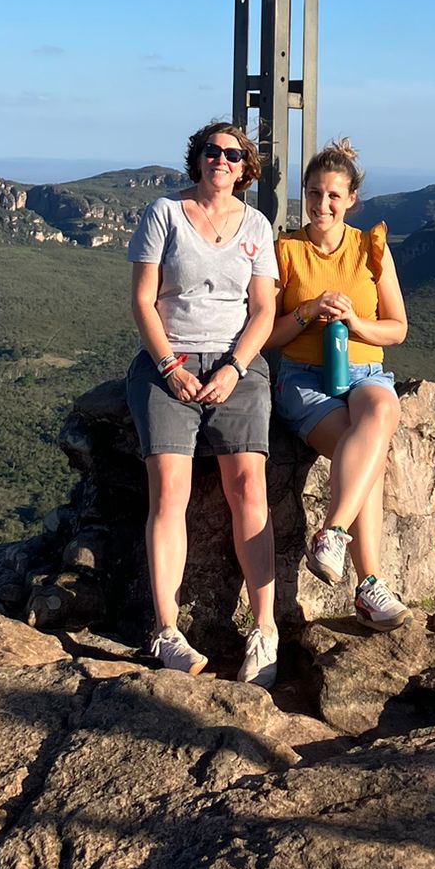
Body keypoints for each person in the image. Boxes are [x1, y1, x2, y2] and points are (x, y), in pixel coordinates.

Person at [127, 121, 281, 684]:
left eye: (232, 154)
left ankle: (265, 631)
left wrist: (235, 367)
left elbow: (263, 309)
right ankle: (167, 631)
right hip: (169, 363)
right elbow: (144, 300)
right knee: (170, 490)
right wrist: (169, 367)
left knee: (249, 488)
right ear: (198, 160)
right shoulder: (163, 214)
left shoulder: (257, 226)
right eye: (212, 151)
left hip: (236, 364)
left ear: (245, 168)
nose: (221, 160)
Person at [268, 136, 411, 629]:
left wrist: (355, 324)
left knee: (380, 414)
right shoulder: (285, 250)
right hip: (304, 377)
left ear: (351, 199)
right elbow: (266, 333)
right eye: (313, 193)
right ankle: (370, 587)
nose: (322, 204)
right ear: (303, 194)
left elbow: (397, 328)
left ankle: (331, 534)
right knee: (370, 450)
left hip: (365, 369)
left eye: (333, 195)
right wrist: (307, 311)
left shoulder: (371, 249)